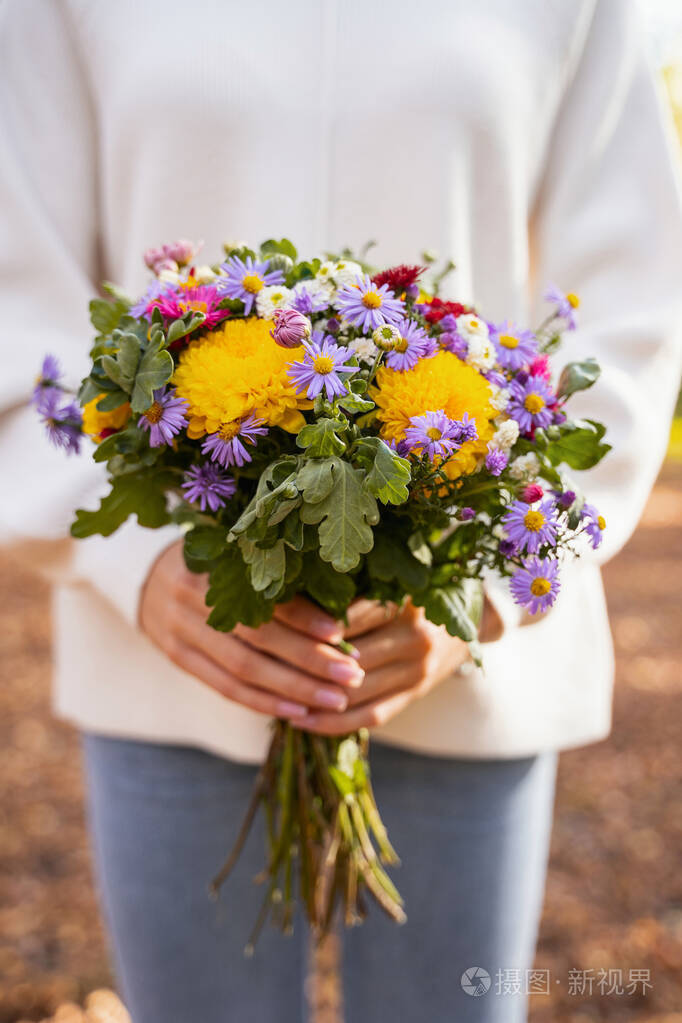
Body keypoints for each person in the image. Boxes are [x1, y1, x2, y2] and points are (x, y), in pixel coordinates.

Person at [1, 1, 681, 1021]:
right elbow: (20, 300)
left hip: (454, 650)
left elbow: (632, 309)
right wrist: (135, 562)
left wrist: (481, 589)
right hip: (175, 653)